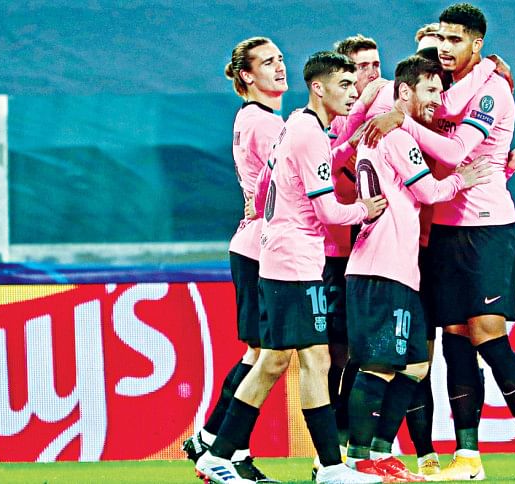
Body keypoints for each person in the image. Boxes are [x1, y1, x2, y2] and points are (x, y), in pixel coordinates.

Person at [364, 3, 515, 480]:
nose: (445, 49)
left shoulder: (492, 91)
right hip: (443, 228)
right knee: (456, 342)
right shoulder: (446, 90)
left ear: (477, 43)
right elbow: (424, 111)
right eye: (441, 39)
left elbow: (455, 150)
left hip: (487, 227)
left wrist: (401, 120)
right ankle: (467, 456)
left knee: (488, 333)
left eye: (454, 40)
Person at [195, 51, 387, 484]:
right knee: (280, 362)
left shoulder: (297, 125)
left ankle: (320, 466)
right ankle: (221, 454)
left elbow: (266, 181)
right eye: (344, 85)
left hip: (287, 257)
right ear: (318, 87)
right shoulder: (306, 133)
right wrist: (366, 208)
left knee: (295, 359)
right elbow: (327, 211)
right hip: (292, 262)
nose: (352, 93)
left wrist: (262, 209)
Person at [343, 54, 492, 482]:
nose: (438, 100)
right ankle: (357, 460)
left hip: (397, 269)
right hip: (381, 267)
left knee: (414, 366)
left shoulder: (380, 132)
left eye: (441, 91)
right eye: (430, 90)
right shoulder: (395, 135)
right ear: (404, 91)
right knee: (378, 366)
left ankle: (379, 452)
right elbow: (428, 191)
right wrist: (464, 178)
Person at [182, 36, 285, 483]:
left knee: (259, 354)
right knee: (268, 356)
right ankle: (227, 451)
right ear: (247, 75)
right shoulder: (265, 123)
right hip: (263, 247)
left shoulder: (252, 117)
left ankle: (211, 440)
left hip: (251, 242)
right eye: (268, 61)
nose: (279, 66)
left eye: (280, 58)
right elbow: (281, 183)